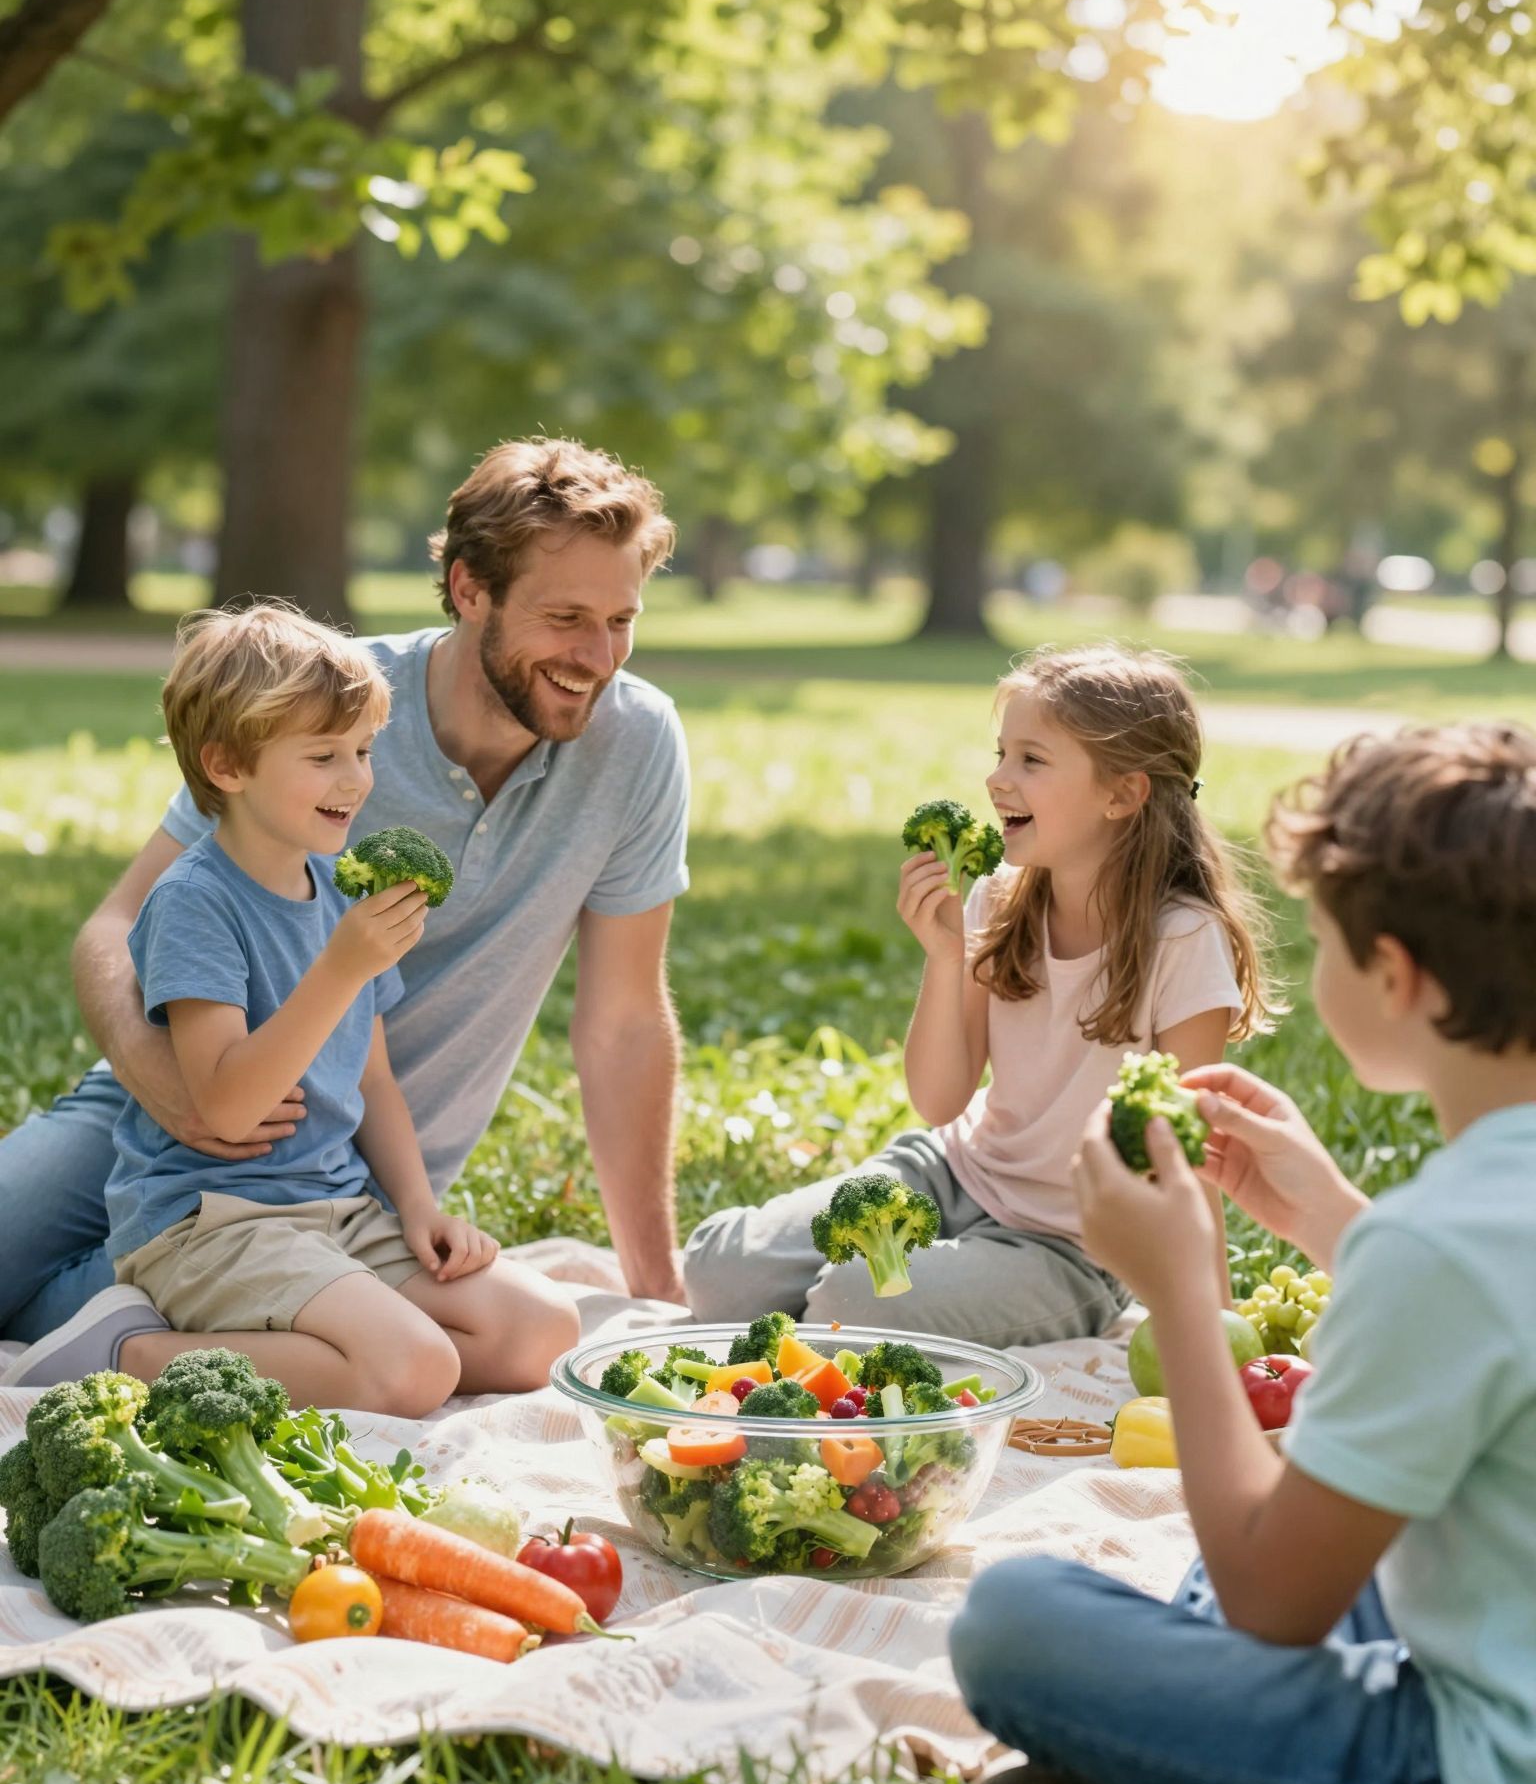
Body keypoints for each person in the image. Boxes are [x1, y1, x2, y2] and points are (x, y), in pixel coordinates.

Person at [949, 723, 1536, 1784]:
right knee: (1312, 1528)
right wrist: (1330, 1215)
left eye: (1319, 942)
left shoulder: (1443, 1243)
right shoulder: (1470, 1217)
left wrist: (1176, 1289)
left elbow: (1274, 1600)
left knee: (1014, 1621)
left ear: (1398, 975)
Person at [1, 437, 690, 1380]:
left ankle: (99, 1333)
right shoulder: (326, 701)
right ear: (468, 589)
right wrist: (171, 1085)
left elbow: (622, 1022)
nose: (596, 656)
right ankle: (101, 1322)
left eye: (621, 619)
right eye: (565, 616)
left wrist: (658, 1291)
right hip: (173, 1115)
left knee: (468, 1347)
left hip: (349, 1182)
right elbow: (115, 928)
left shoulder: (637, 743)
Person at [43, 604, 581, 1408]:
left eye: (364, 751)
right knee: (416, 1371)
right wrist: (339, 969)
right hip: (213, 1223)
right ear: (227, 766)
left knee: (545, 1330)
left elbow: (372, 1083)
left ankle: (328, 1341)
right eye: (324, 755)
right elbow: (226, 1107)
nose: (358, 779)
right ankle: (128, 1352)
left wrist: (419, 1209)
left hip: (338, 1209)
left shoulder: (339, 891)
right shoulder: (195, 902)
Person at [683, 644, 1270, 1350]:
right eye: (1001, 754)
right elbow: (939, 1102)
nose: (997, 780)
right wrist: (945, 956)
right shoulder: (997, 896)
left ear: (1122, 794)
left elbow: (1188, 1159)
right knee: (722, 1275)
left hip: (1068, 1246)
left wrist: (1221, 1339)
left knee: (855, 1301)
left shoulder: (1183, 939)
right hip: (949, 1175)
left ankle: (846, 1324)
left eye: (1031, 759)